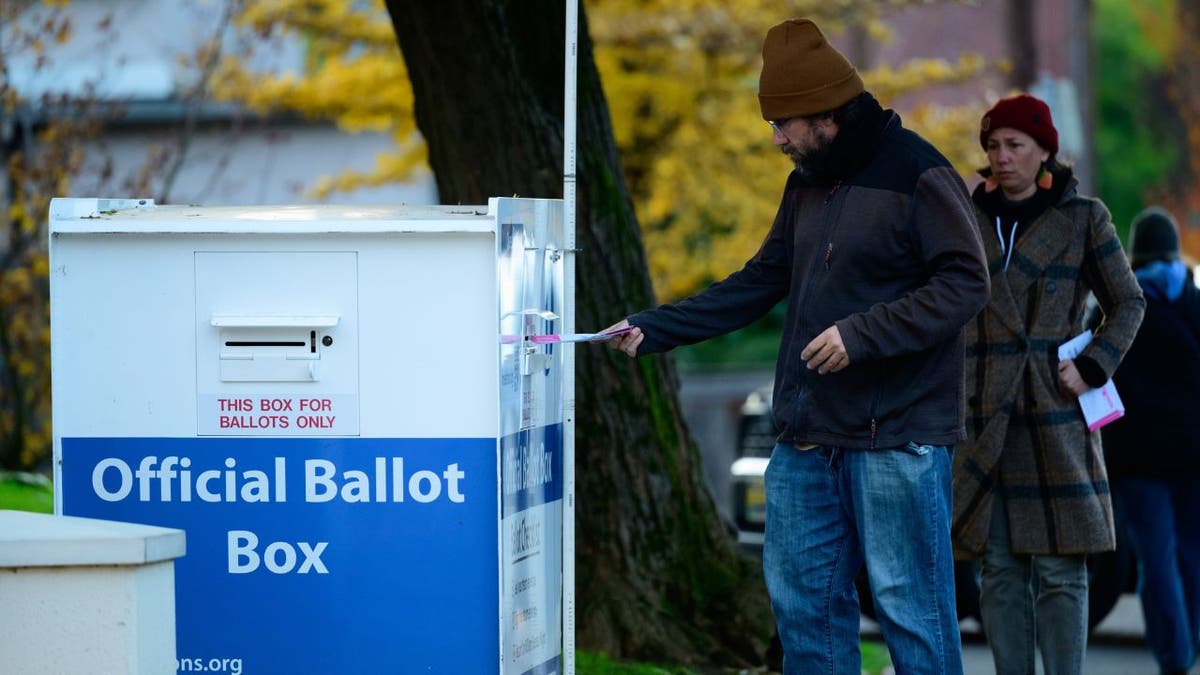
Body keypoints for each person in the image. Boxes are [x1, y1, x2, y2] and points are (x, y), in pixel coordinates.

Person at [605, 18, 989, 674]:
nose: (777, 137)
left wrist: (861, 334)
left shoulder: (920, 174)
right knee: (802, 604)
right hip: (808, 437)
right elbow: (760, 281)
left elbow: (967, 282)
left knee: (911, 608)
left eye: (784, 123)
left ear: (827, 114)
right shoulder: (807, 180)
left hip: (897, 436)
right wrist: (655, 327)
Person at [951, 94, 1145, 675]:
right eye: (992, 145)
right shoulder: (965, 218)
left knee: (1061, 570)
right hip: (983, 411)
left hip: (1054, 410)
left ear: (1043, 151)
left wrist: (1092, 367)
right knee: (999, 568)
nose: (1001, 157)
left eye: (1014, 145)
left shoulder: (1084, 217)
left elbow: (1128, 302)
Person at [1091, 207, 1200, 675]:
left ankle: (1175, 657)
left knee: (1156, 561)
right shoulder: (1195, 305)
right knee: (1193, 556)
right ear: (1175, 253)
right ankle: (1189, 645)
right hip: (1195, 457)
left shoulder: (1117, 309)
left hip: (1136, 460)